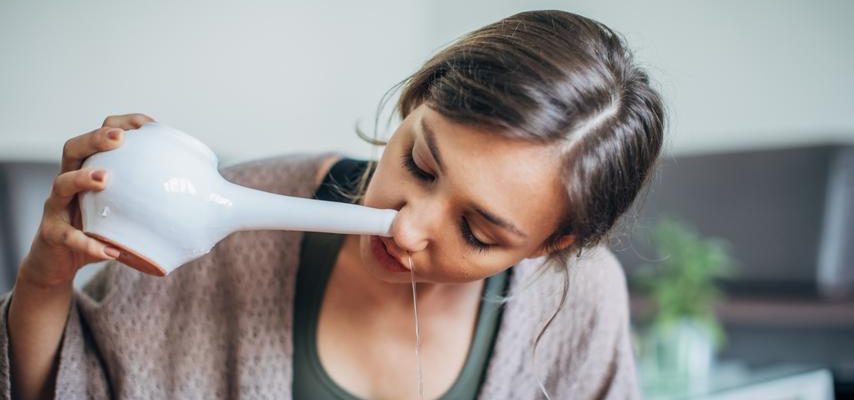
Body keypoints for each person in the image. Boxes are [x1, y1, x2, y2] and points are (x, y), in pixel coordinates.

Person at [1, 9, 664, 400]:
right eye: (421, 164)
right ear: (414, 102)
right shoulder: (227, 233)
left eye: (477, 231)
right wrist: (44, 278)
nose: (408, 227)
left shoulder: (580, 300)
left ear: (552, 245)